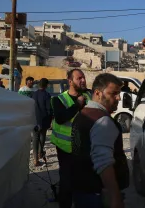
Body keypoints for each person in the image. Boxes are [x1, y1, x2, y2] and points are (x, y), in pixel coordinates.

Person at [71, 73, 129, 208]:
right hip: (97, 195)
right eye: (113, 93)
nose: (118, 98)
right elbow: (103, 162)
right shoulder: (102, 120)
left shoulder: (82, 114)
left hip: (82, 190)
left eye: (119, 93)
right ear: (98, 93)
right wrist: (115, 196)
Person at [51, 69, 92, 208]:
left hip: (85, 149)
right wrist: (78, 105)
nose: (83, 80)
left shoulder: (89, 95)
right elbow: (61, 118)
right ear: (70, 81)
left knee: (84, 183)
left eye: (84, 77)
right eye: (79, 78)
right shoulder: (58, 99)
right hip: (66, 150)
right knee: (67, 184)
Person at [32, 78, 52, 166]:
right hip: (44, 119)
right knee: (42, 136)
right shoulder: (47, 95)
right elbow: (49, 109)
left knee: (35, 138)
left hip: (34, 119)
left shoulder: (34, 94)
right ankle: (40, 153)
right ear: (46, 85)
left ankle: (35, 159)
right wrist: (51, 119)